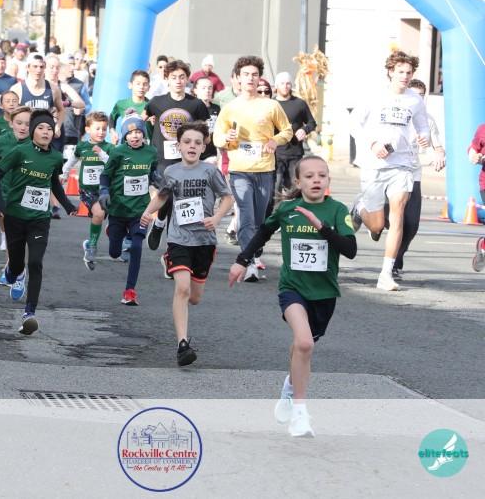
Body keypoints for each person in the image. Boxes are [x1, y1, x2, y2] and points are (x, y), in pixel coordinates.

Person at [228, 155, 357, 437]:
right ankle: (300, 414)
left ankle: (289, 387)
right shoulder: (288, 209)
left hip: (324, 293)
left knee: (303, 347)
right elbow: (263, 232)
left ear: (328, 180)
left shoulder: (337, 210)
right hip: (293, 288)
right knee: (305, 343)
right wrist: (242, 260)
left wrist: (322, 227)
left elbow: (350, 250)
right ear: (298, 182)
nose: (316, 180)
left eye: (322, 175)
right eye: (309, 176)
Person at [140, 122, 233, 365]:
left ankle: (175, 268)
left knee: (194, 297)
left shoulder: (210, 171)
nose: (192, 146)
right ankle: (182, 345)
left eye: (197, 143)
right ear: (178, 146)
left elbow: (228, 198)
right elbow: (162, 196)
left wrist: (216, 218)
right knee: (182, 288)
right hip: (179, 238)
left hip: (204, 241)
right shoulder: (171, 172)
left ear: (203, 148)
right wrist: (147, 213)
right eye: (187, 142)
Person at [348, 50, 430, 291]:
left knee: (398, 216)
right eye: (401, 72)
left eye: (409, 72)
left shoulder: (414, 100)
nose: (405, 77)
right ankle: (359, 209)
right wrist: (373, 143)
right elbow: (354, 124)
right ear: (391, 72)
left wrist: (424, 136)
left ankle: (386, 274)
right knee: (376, 225)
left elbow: (423, 126)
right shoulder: (375, 96)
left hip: (402, 164)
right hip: (374, 165)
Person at [0, 110, 77, 334]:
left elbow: (54, 182)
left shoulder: (56, 157)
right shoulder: (20, 151)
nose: (46, 132)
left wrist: (67, 205)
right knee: (17, 264)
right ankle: (13, 272)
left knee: (36, 262)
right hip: (15, 216)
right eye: (41, 128)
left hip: (40, 219)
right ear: (32, 132)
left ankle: (29, 313)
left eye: (49, 129)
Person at [213, 56, 292, 282]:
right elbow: (217, 137)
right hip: (239, 170)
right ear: (238, 78)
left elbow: (287, 130)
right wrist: (226, 138)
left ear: (260, 79)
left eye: (254, 75)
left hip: (264, 169)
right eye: (246, 74)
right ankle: (248, 264)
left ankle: (253, 252)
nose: (250, 78)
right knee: (246, 215)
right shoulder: (230, 108)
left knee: (258, 219)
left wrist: (275, 141)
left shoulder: (271, 105)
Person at [144, 60, 211, 255]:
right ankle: (161, 226)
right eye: (174, 77)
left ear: (188, 79)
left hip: (186, 160)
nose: (178, 81)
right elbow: (140, 120)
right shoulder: (156, 102)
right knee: (170, 193)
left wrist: (202, 140)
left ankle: (169, 244)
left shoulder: (196, 104)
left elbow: (206, 135)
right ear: (167, 79)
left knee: (179, 203)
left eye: (182, 77)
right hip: (161, 158)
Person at [386, 79, 445, 279]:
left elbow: (438, 146)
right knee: (383, 220)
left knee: (411, 224)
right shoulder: (394, 113)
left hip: (413, 174)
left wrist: (439, 154)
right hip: (389, 170)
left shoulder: (427, 120)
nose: (417, 99)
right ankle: (363, 211)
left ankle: (394, 262)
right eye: (414, 95)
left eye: (421, 96)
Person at [99, 116, 159, 305]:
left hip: (140, 210)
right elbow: (105, 175)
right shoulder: (117, 152)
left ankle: (130, 290)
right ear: (125, 136)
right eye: (131, 133)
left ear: (143, 134)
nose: (135, 136)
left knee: (136, 246)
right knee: (114, 253)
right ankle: (113, 231)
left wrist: (156, 178)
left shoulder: (151, 152)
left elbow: (152, 171)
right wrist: (104, 191)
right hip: (119, 209)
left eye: (138, 132)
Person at [0, 105, 33, 256]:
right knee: (12, 234)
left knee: (23, 235)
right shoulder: (3, 141)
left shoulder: (37, 144)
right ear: (11, 124)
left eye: (28, 124)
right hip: (6, 191)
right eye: (19, 123)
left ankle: (18, 266)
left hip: (28, 194)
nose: (23, 127)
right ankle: (12, 265)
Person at [62, 111, 113, 269]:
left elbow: (114, 165)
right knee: (99, 214)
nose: (101, 132)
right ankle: (91, 247)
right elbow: (72, 160)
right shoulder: (82, 146)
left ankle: (106, 235)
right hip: (88, 190)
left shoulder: (109, 147)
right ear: (87, 129)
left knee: (107, 217)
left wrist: (102, 154)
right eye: (97, 129)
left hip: (106, 190)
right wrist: (64, 174)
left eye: (104, 129)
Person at [273, 72, 317, 197]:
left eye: (288, 83)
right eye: (282, 83)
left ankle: (291, 208)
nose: (285, 86)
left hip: (294, 152)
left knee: (293, 187)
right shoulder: (271, 104)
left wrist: (304, 129)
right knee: (276, 186)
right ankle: (275, 209)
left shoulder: (299, 103)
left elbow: (312, 123)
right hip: (276, 151)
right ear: (276, 86)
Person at [108, 70, 151, 145]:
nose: (141, 87)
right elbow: (112, 117)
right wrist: (112, 132)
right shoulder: (121, 104)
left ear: (149, 87)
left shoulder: (152, 105)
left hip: (146, 148)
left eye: (145, 84)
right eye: (138, 84)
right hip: (126, 147)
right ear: (130, 85)